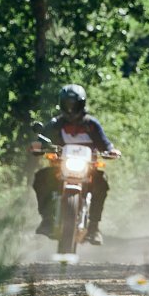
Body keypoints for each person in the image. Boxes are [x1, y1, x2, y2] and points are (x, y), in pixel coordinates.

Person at [32, 84, 121, 245]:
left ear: (82, 104)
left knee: (102, 183)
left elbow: (105, 144)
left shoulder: (91, 124)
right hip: (61, 167)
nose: (70, 108)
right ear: (61, 104)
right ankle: (46, 219)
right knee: (41, 178)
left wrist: (111, 151)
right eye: (67, 104)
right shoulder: (55, 123)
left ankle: (93, 227)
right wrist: (37, 146)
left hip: (88, 169)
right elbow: (41, 140)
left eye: (74, 104)